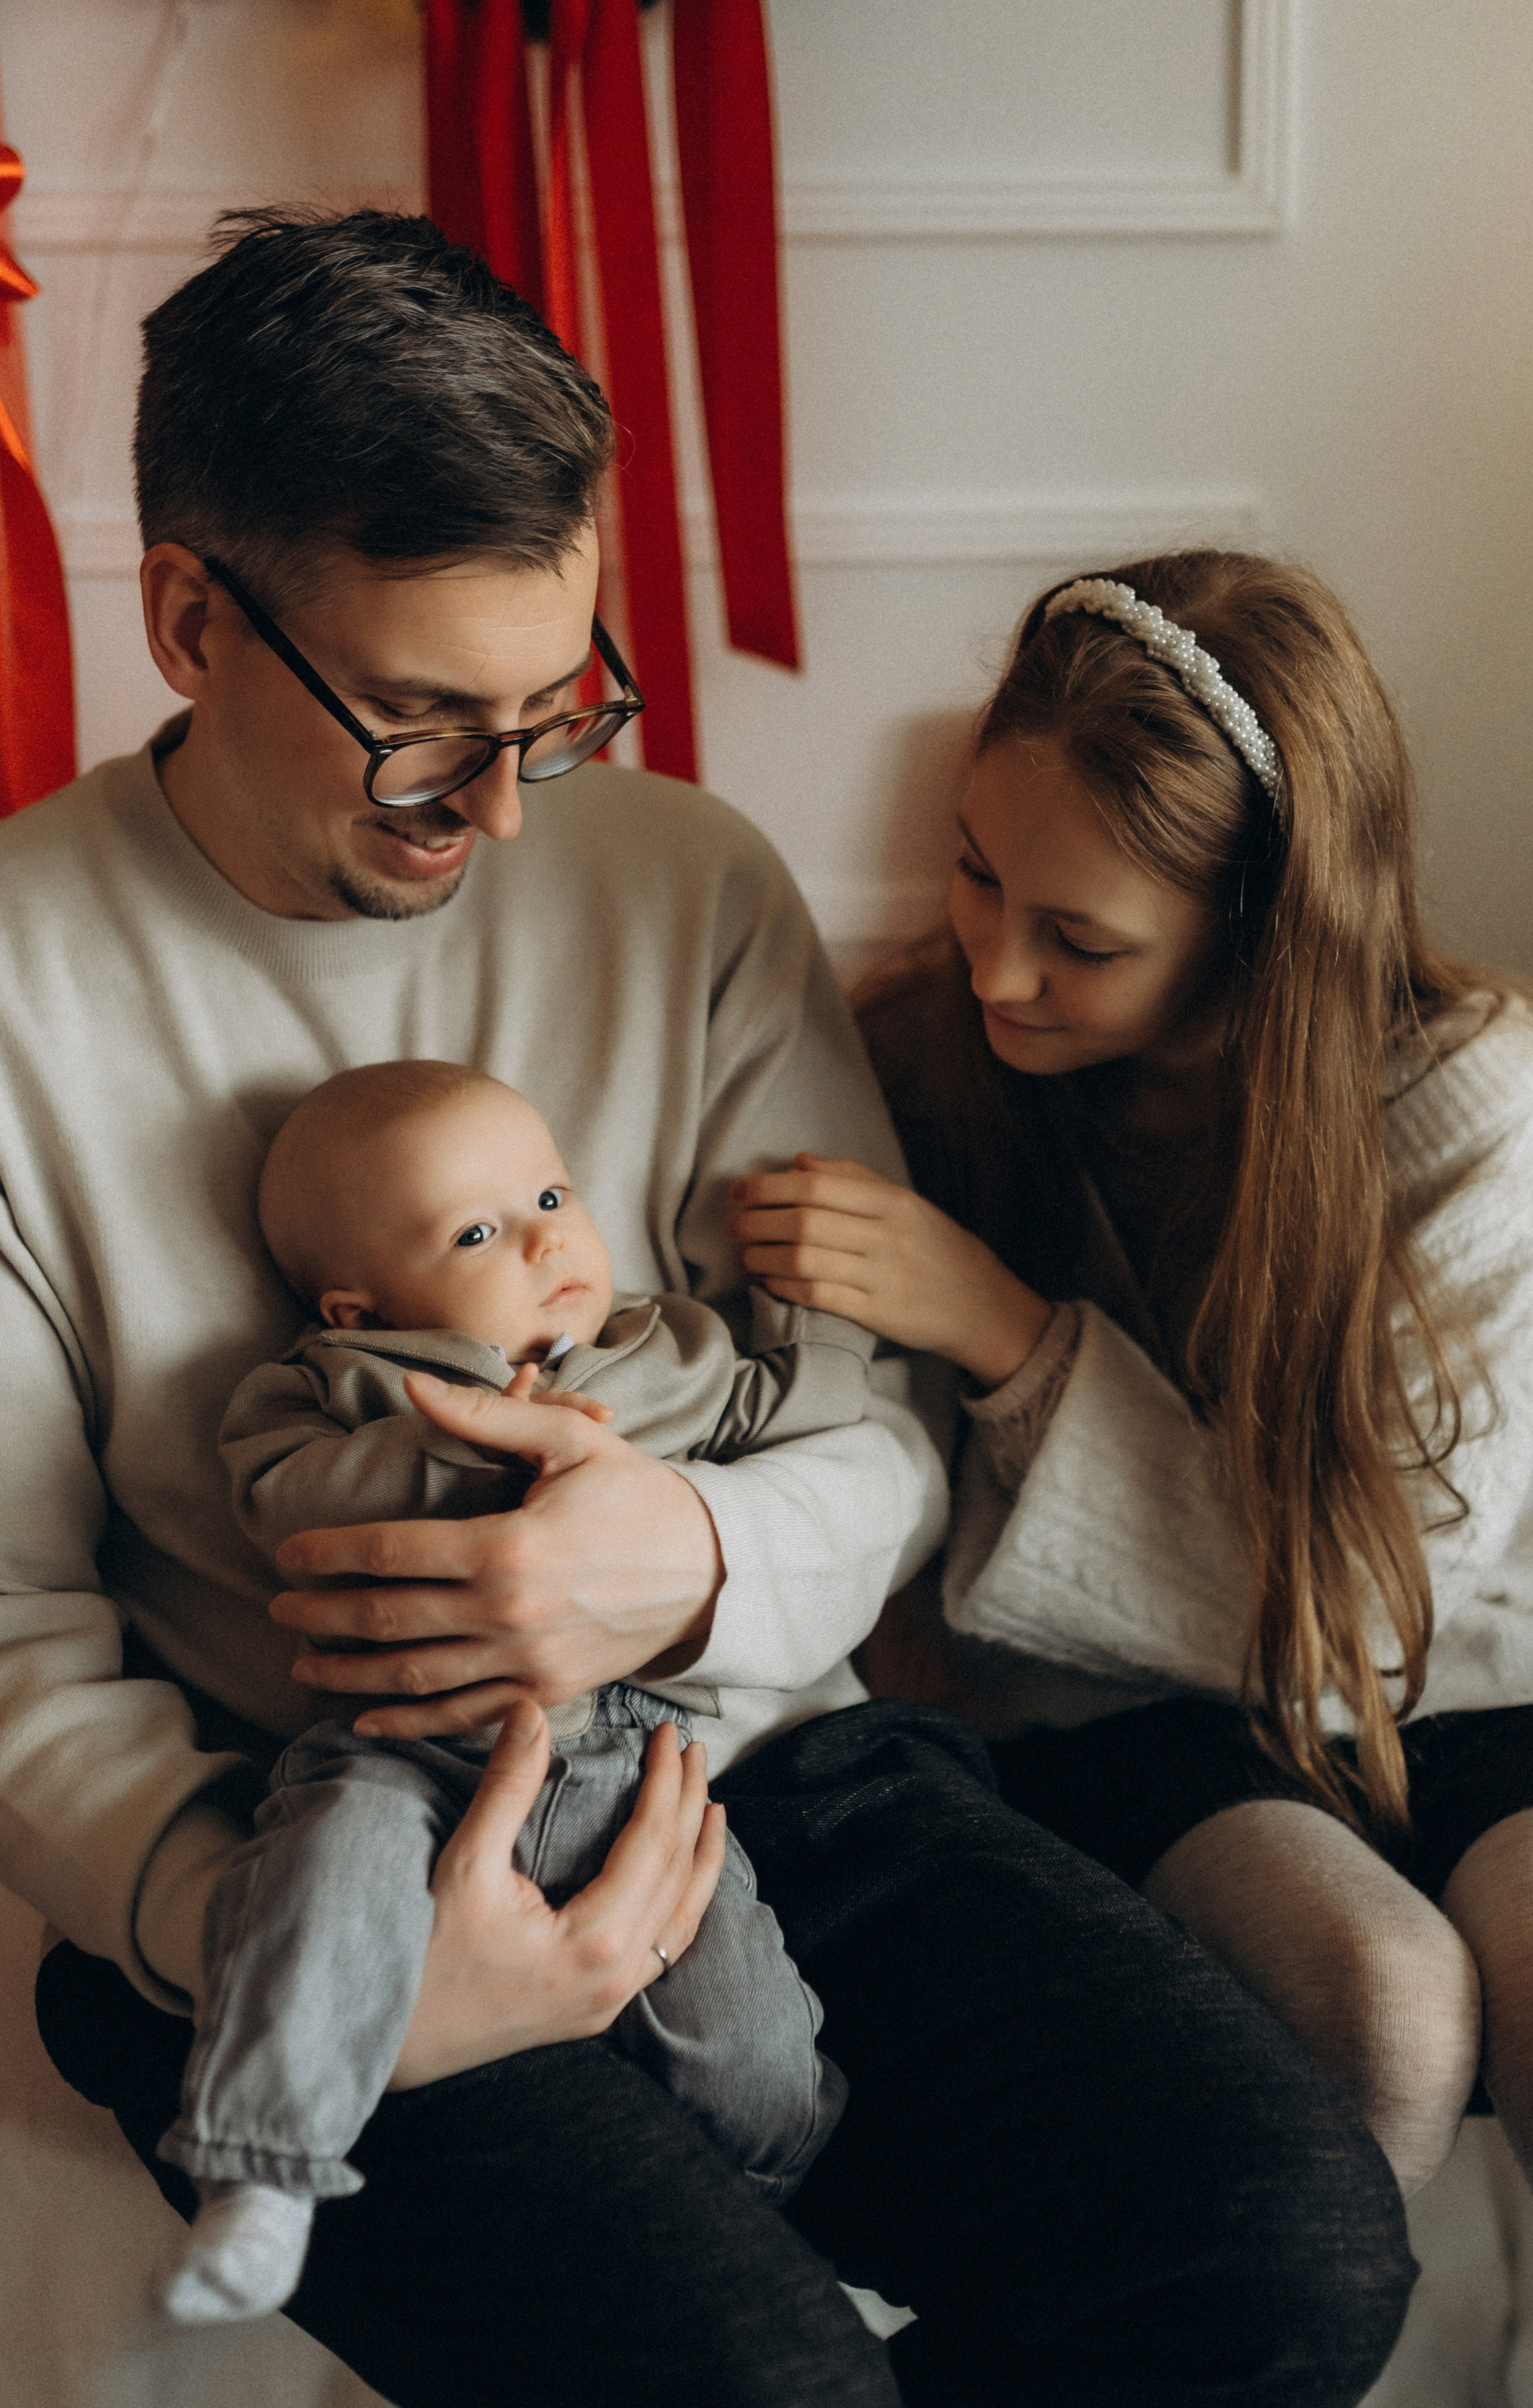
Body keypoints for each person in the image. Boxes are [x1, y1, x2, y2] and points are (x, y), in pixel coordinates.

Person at [1, 212, 1414, 2408]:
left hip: (776, 1771)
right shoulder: (19, 988)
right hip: (310, 1857)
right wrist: (293, 1960)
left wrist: (696, 1562)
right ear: (189, 613)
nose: (496, 806)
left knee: (1286, 2249)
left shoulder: (687, 887)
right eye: (416, 726)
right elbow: (13, 1647)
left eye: (548, 709)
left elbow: (879, 1427)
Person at [733, 552, 1533, 2395]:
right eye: (976, 870)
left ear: (1264, 922)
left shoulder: (1474, 1108)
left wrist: (1012, 1334)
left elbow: (1358, 1618)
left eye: (1084, 937)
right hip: (1127, 1694)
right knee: (1384, 2000)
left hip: (1471, 1667)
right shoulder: (925, 1062)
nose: (996, 964)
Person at [159, 1059, 871, 2321]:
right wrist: (462, 1430)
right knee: (318, 1901)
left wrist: (820, 1309)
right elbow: (283, 1499)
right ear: (356, 1302)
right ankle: (262, 2177)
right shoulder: (333, 1388)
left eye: (551, 1195)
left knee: (750, 2036)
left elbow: (798, 1403)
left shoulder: (664, 1349)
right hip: (401, 1758)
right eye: (481, 1232)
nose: (549, 1242)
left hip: (637, 1766)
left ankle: (767, 2206)